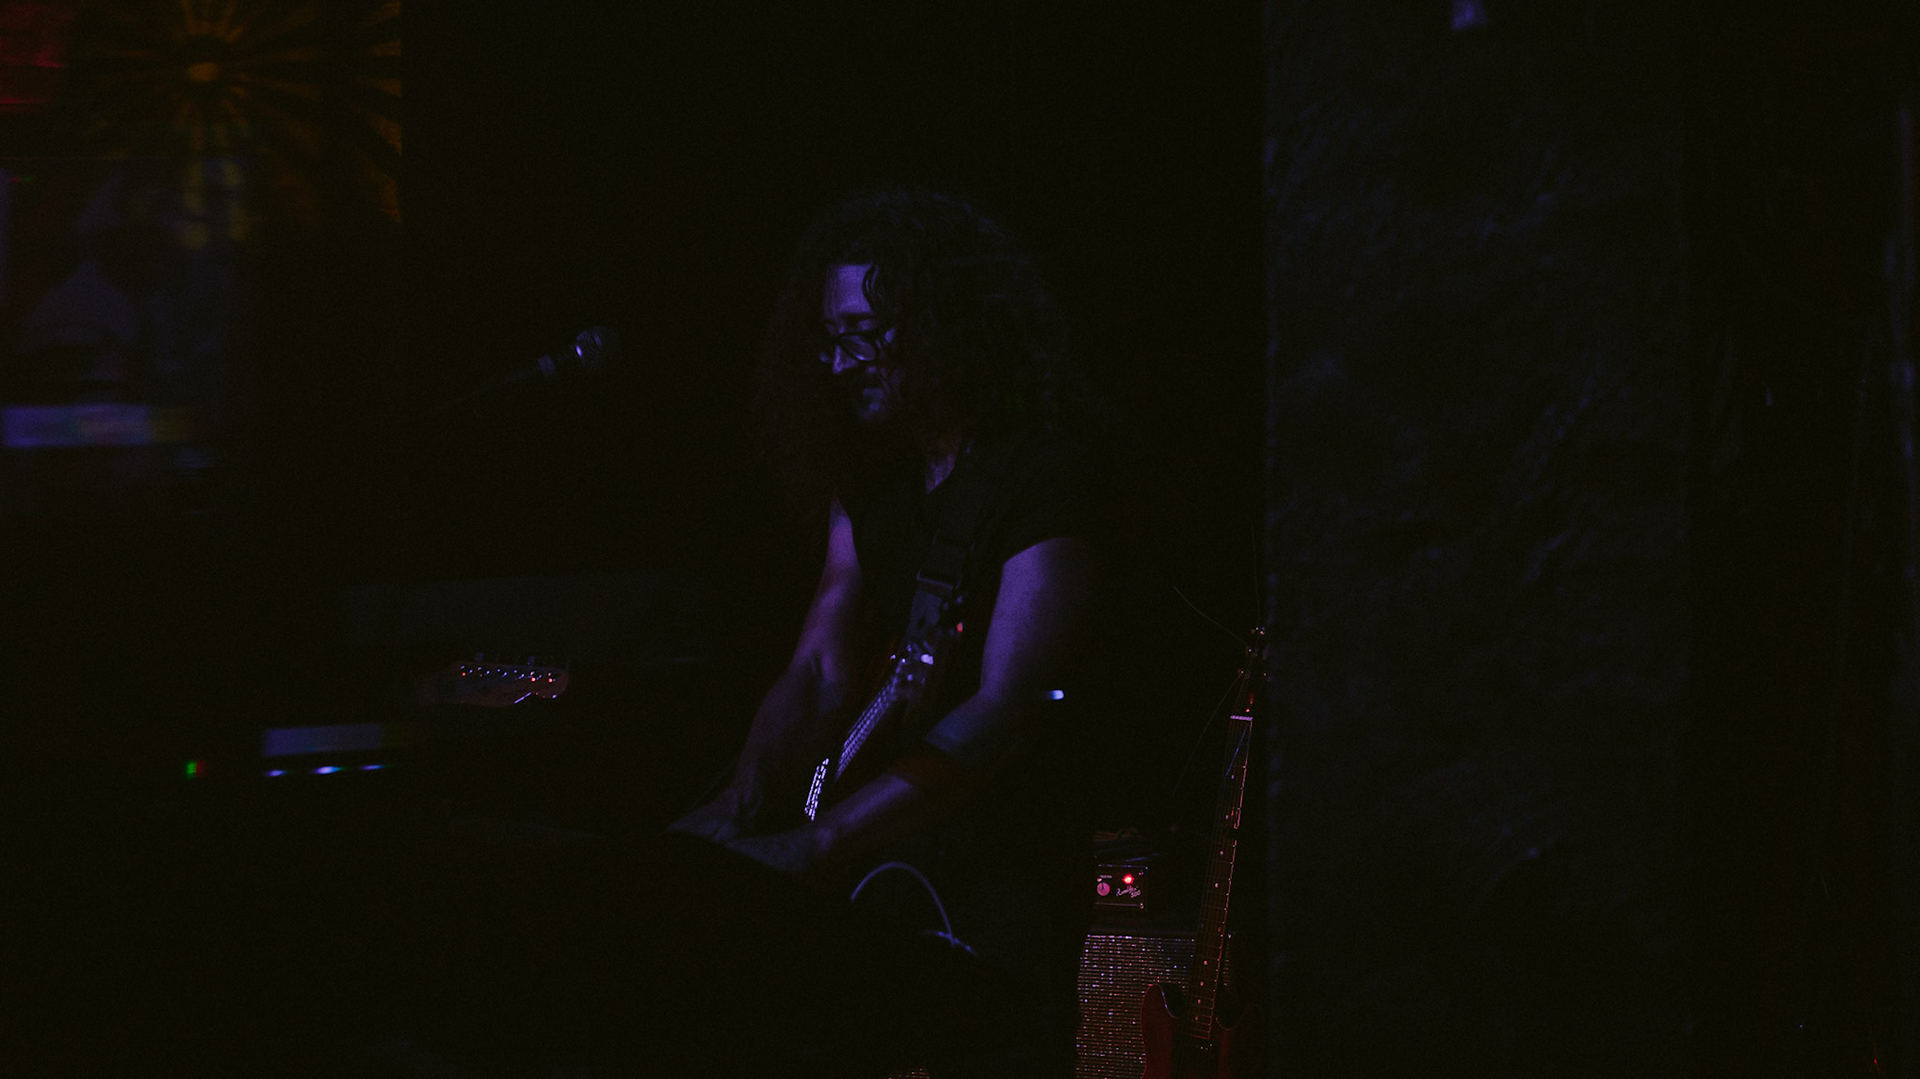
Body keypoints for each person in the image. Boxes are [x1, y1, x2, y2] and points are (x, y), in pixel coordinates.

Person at [672, 188, 1122, 1077]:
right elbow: (818, 669)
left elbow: (1006, 707)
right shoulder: (871, 482)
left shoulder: (1050, 471)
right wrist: (739, 807)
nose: (841, 363)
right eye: (830, 338)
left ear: (944, 325)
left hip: (1004, 875)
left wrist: (822, 840)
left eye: (865, 334)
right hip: (884, 862)